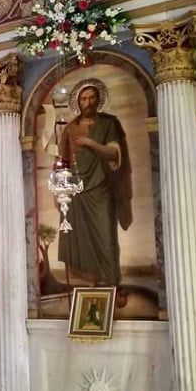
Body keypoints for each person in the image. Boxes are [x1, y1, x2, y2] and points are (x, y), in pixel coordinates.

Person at [57, 83, 133, 286]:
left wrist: (89, 143)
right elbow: (62, 161)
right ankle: (91, 284)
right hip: (76, 190)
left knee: (106, 236)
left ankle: (112, 284)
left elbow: (114, 154)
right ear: (78, 102)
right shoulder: (70, 128)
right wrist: (60, 190)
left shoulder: (109, 124)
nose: (88, 102)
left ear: (99, 100)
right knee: (80, 238)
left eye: (92, 98)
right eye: (84, 99)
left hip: (101, 186)